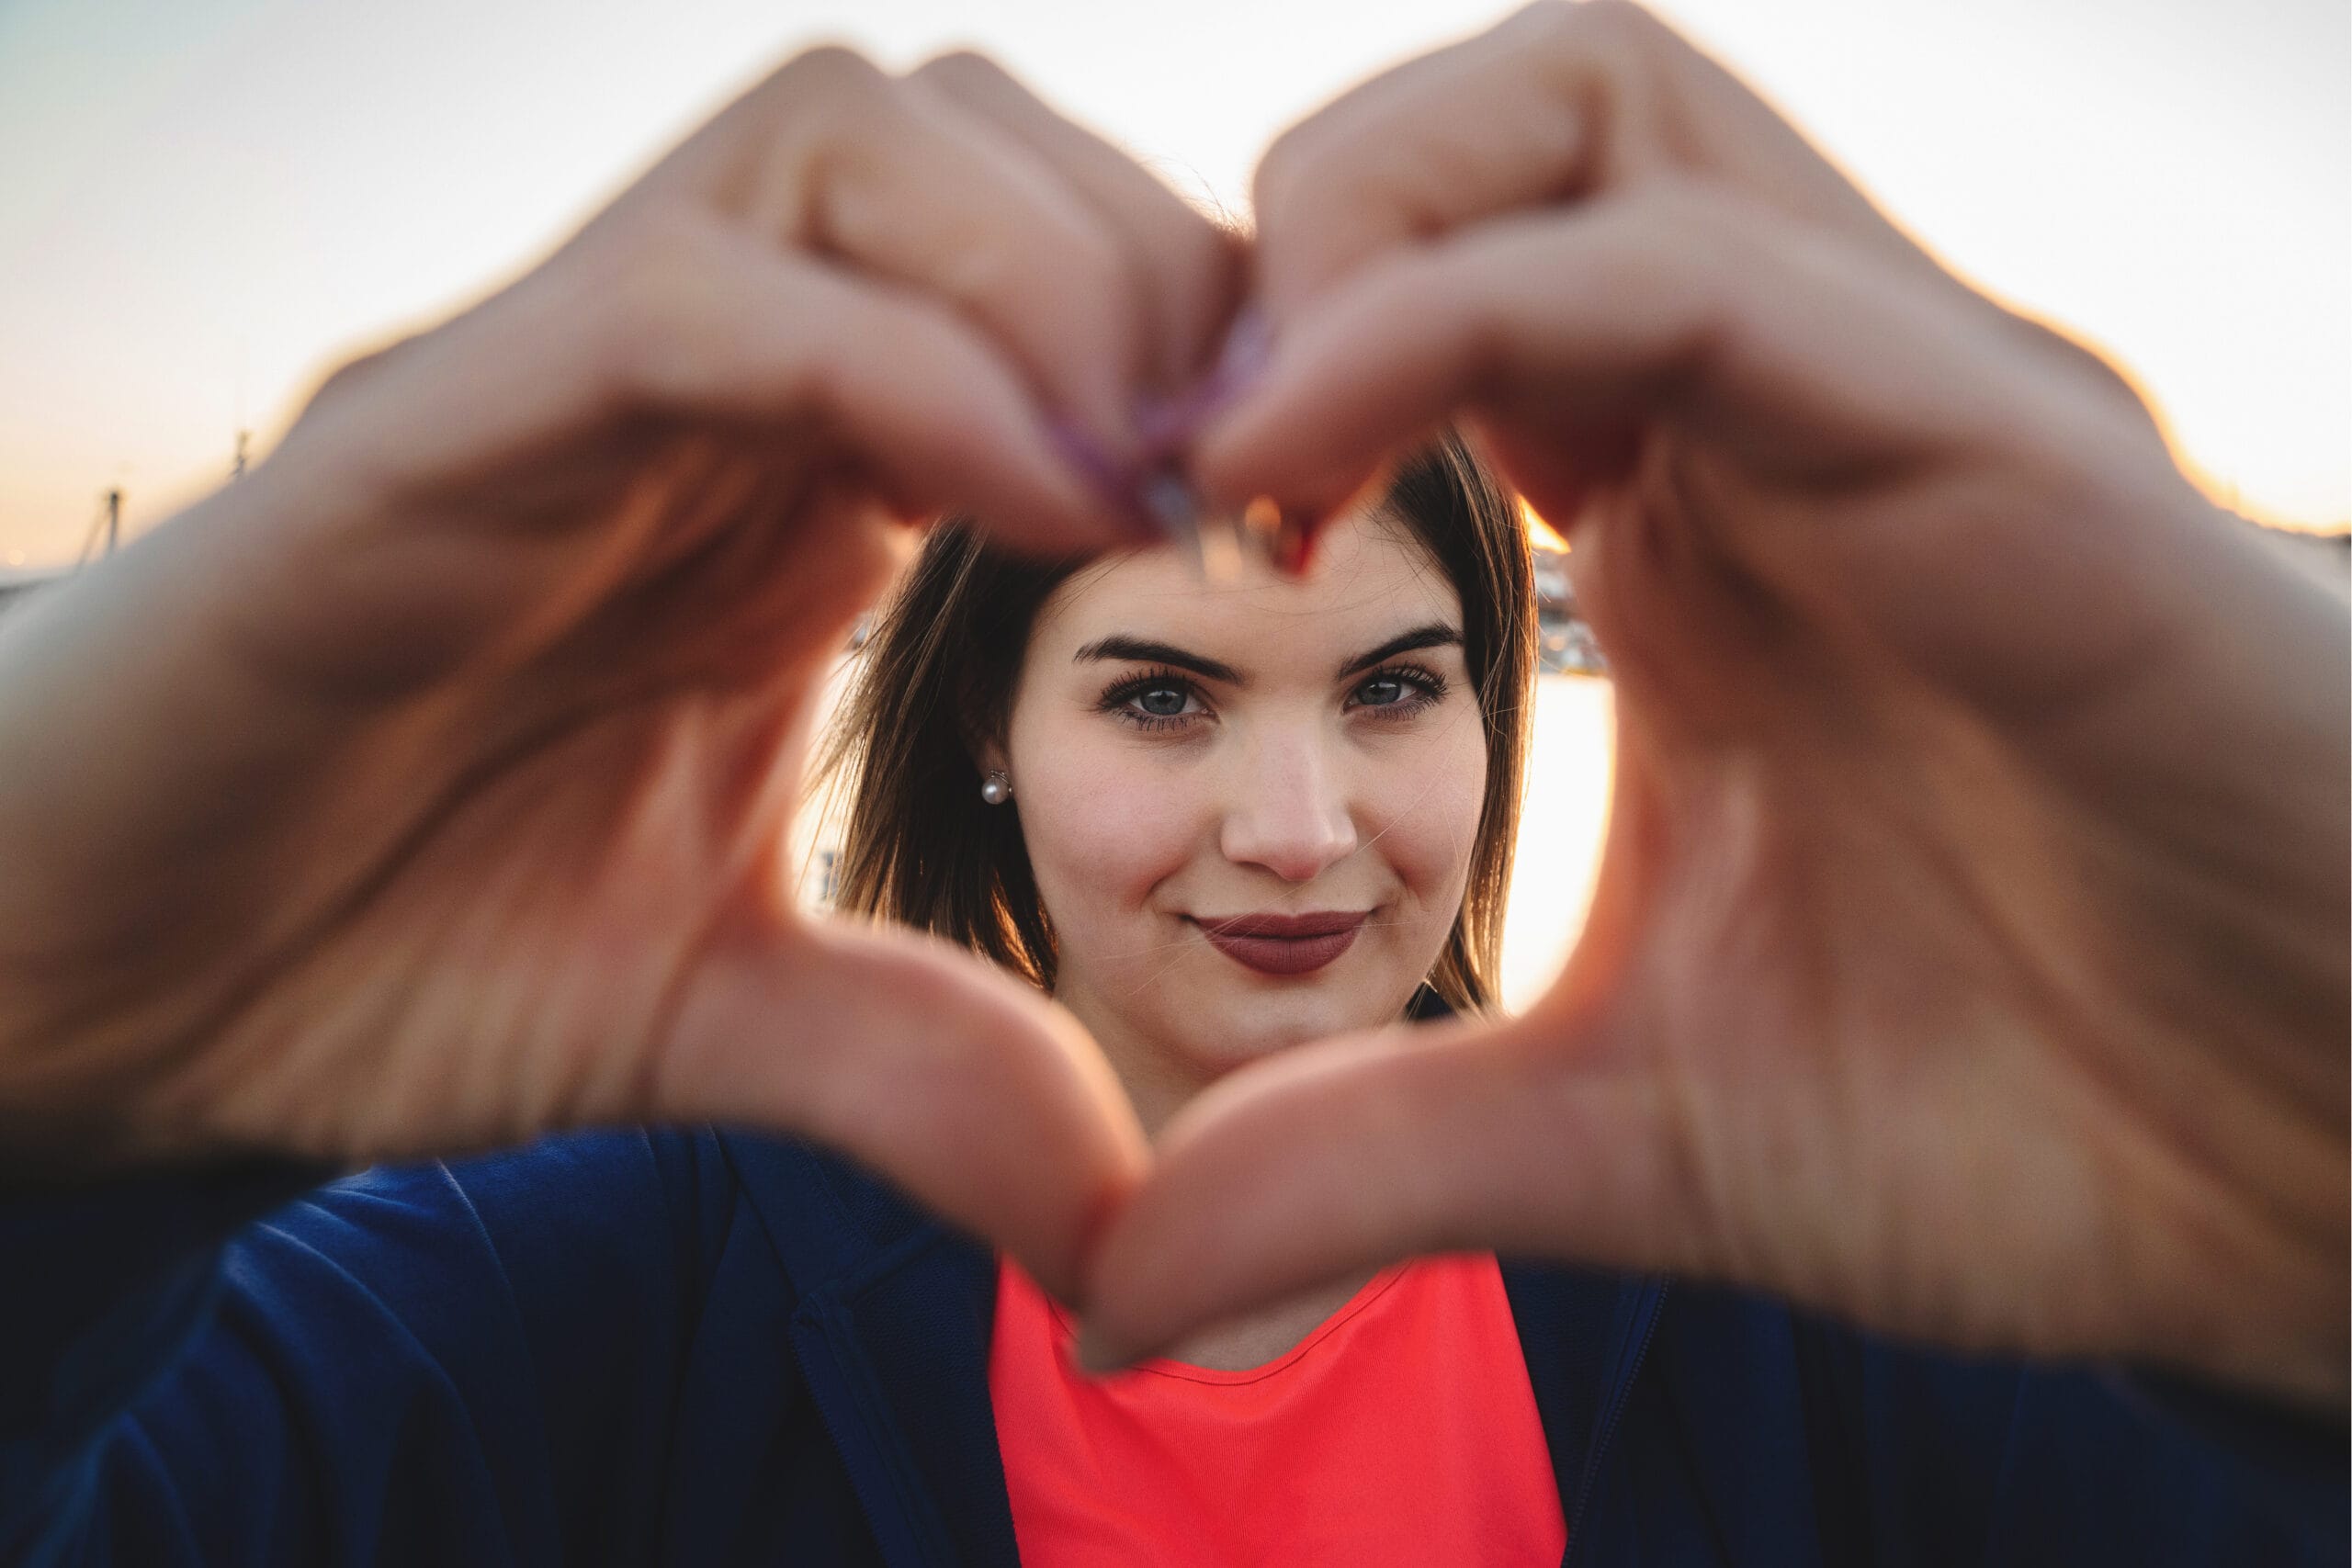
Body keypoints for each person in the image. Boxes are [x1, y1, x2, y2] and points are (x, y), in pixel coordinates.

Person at [0, 3, 2340, 1562]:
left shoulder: (1816, 1272)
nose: (1304, 827)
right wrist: (54, 1014)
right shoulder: (603, 1256)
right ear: (983, 748)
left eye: (1397, 687)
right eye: (1159, 698)